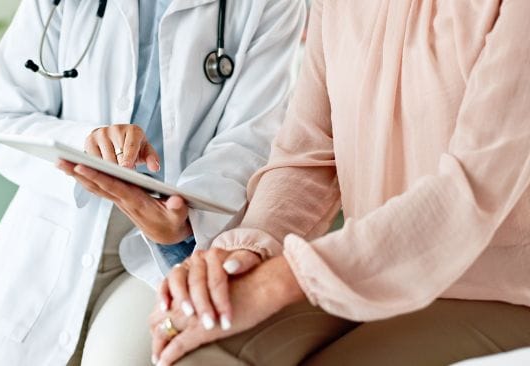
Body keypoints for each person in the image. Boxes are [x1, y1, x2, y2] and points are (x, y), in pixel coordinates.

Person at [149, 0, 530, 365]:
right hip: (361, 270)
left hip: (496, 292)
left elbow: (469, 195)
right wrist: (241, 254)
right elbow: (307, 154)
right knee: (199, 354)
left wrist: (278, 281)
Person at [0, 0, 307, 365]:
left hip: (175, 242)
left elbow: (249, 139)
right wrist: (86, 142)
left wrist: (183, 220)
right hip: (61, 227)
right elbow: (3, 120)